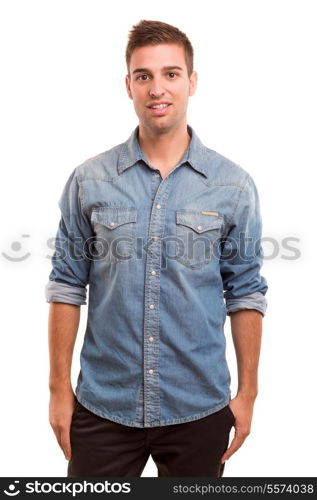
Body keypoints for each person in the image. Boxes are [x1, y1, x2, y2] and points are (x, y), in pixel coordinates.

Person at [46, 19, 268, 477]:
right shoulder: (90, 179)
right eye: (144, 76)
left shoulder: (233, 185)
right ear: (128, 85)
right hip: (103, 406)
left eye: (171, 73)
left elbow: (245, 291)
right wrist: (58, 390)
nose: (157, 88)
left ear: (192, 81)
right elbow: (67, 285)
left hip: (199, 408)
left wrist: (248, 393)